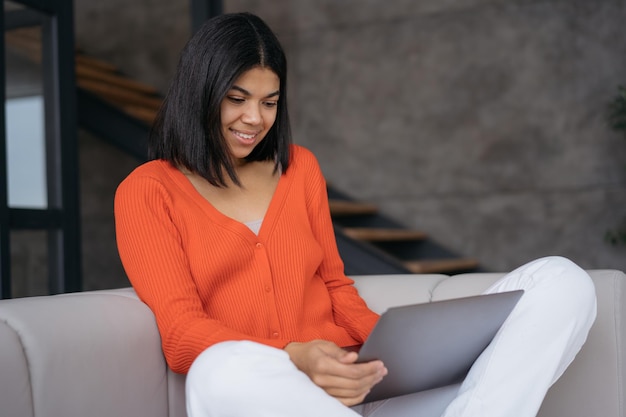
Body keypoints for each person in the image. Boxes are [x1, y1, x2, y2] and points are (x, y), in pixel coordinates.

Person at [114, 12, 597, 417]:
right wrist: (295, 359)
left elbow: (336, 288)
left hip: (365, 394)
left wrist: (394, 357)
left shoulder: (299, 168)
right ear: (200, 93)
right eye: (236, 99)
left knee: (562, 280)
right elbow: (181, 333)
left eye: (269, 102)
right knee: (221, 368)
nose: (255, 120)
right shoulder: (148, 192)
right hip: (275, 398)